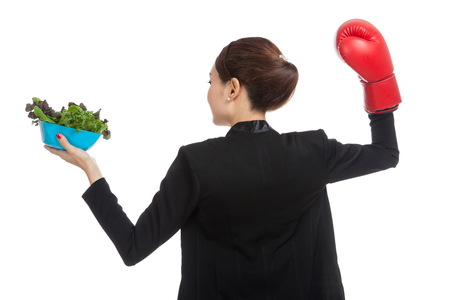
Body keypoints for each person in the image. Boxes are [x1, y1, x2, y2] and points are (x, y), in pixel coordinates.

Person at [46, 19, 400, 300]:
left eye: (211, 81)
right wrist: (379, 81)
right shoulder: (314, 151)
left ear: (232, 89)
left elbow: (133, 247)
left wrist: (90, 169)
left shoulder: (197, 163)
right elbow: (386, 153)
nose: (209, 91)